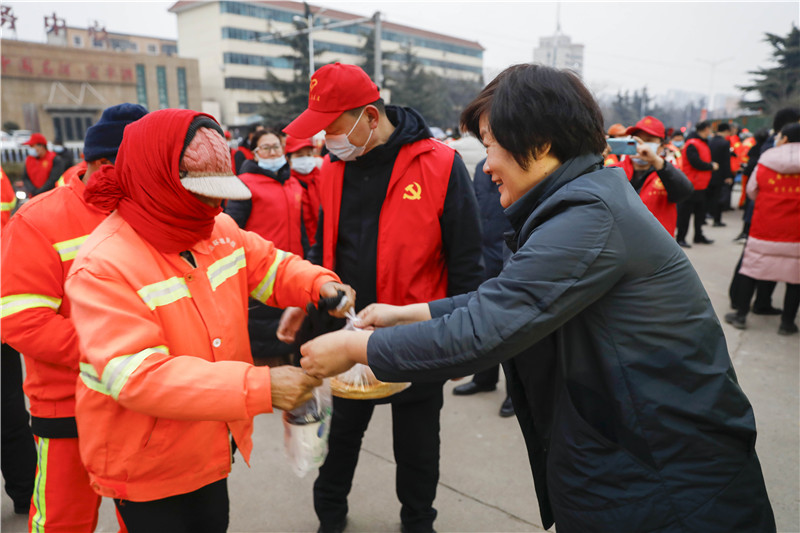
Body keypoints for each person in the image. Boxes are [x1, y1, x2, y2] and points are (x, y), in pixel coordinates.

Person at [299, 63, 775, 533]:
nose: (485, 166)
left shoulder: (588, 218)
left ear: (541, 144)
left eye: (491, 146)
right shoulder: (578, 205)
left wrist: (353, 348)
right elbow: (505, 298)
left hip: (664, 481)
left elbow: (487, 329)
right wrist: (410, 312)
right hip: (635, 457)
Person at [63, 108, 354, 532]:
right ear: (158, 179)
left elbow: (270, 265)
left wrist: (320, 285)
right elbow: (138, 375)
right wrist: (262, 386)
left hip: (209, 444)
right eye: (202, 193)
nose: (216, 205)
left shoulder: (213, 228)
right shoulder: (104, 264)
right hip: (145, 463)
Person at [282, 62, 484, 533]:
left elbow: (468, 259)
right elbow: (321, 249)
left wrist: (460, 340)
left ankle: (418, 521)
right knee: (342, 438)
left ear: (370, 117)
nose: (326, 142)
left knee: (417, 446)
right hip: (346, 332)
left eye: (331, 129)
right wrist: (306, 296)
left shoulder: (438, 163)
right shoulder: (333, 169)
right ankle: (329, 516)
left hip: (416, 333)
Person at [1, 103, 148, 532]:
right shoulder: (38, 220)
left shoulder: (154, 211)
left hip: (146, 401)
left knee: (149, 518)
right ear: (102, 163)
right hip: (69, 407)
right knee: (63, 522)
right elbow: (22, 320)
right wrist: (114, 354)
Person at [225, 128, 306, 366]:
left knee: (292, 332)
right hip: (260, 274)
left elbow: (302, 229)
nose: (273, 152)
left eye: (277, 147)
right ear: (255, 154)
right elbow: (232, 229)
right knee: (265, 342)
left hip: (292, 272)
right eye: (266, 148)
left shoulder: (293, 183)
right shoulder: (244, 185)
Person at [451, 158, 515, 418]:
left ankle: (515, 391)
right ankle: (484, 377)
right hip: (484, 253)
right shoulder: (482, 167)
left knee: (511, 326)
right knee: (483, 319)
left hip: (511, 253)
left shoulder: (520, 164)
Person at [725, 122, 800, 335]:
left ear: (784, 138)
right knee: (796, 278)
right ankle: (787, 323)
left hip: (765, 227)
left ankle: (740, 315)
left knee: (751, 270)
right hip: (796, 232)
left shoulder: (767, 160)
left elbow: (751, 191)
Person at [611, 116, 692, 236]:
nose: (641, 146)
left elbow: (685, 192)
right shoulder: (614, 170)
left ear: (661, 147)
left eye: (648, 140)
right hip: (620, 243)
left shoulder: (667, 172)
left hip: (658, 246)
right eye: (637, 140)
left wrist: (656, 160)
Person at [675, 120, 718, 247]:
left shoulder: (703, 143)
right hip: (691, 184)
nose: (711, 132)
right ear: (705, 129)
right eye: (710, 129)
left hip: (701, 184)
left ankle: (698, 235)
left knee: (700, 213)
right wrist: (711, 166)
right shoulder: (692, 144)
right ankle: (681, 238)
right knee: (685, 214)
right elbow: (695, 162)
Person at [285, 135, 322, 250]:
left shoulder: (321, 178)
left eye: (309, 155)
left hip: (322, 244)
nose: (306, 159)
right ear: (288, 159)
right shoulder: (286, 184)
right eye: (299, 155)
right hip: (301, 248)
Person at [20, 133, 68, 198]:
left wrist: (40, 192)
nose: (30, 149)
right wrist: (33, 191)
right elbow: (25, 178)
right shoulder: (29, 160)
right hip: (34, 197)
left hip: (51, 196)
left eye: (32, 146)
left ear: (41, 146)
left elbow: (53, 179)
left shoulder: (54, 159)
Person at [707, 122, 734, 227]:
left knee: (709, 197)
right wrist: (728, 176)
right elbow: (726, 161)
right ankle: (717, 220)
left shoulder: (710, 141)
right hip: (720, 174)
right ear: (727, 131)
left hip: (709, 172)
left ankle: (706, 216)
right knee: (718, 197)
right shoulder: (725, 143)